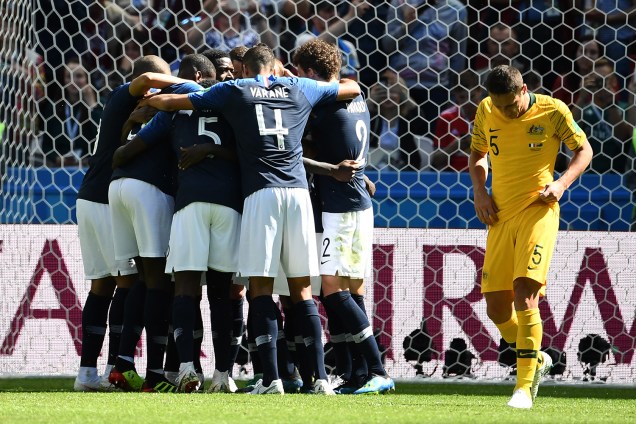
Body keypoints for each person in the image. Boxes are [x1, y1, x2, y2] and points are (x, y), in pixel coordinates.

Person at [140, 43, 361, 394]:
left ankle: (271, 379)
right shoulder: (299, 87)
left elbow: (173, 103)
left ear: (245, 69)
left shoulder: (234, 89)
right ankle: (319, 380)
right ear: (276, 66)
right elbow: (351, 87)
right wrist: (288, 78)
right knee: (302, 290)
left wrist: (149, 100)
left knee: (259, 287)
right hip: (299, 194)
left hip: (262, 194)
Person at [469, 65, 592, 409]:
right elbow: (477, 155)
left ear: (524, 90)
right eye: (499, 105)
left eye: (511, 105)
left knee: (525, 293)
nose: (506, 112)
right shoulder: (486, 109)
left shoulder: (553, 111)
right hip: (500, 215)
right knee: (495, 307)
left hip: (538, 210)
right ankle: (534, 356)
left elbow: (584, 151)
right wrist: (480, 191)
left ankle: (523, 388)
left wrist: (561, 184)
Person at [73, 55, 183, 392]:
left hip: (91, 196)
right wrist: (188, 86)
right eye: (160, 84)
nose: (160, 90)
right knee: (128, 282)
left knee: (102, 286)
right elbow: (148, 77)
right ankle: (113, 369)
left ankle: (88, 373)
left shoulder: (129, 113)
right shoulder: (124, 95)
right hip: (106, 198)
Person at [294, 38, 394, 395]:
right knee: (351, 288)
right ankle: (357, 373)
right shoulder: (356, 96)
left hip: (340, 206)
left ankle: (378, 368)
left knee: (333, 289)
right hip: (356, 205)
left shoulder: (324, 103)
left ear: (308, 73)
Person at [107, 57, 203, 394]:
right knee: (159, 282)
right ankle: (154, 374)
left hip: (117, 189)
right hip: (148, 189)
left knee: (137, 282)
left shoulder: (137, 108)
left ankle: (122, 364)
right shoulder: (179, 100)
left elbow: (121, 148)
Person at [572, 58, 632, 174]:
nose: (601, 85)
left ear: (614, 81)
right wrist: (582, 98)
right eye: (597, 80)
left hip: (616, 175)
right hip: (587, 175)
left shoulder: (624, 108)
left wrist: (611, 104)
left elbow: (622, 137)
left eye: (606, 80)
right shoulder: (584, 110)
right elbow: (569, 128)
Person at [39, 57, 102, 167]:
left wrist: (92, 105)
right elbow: (46, 145)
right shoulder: (54, 107)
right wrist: (57, 158)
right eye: (69, 76)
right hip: (59, 169)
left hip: (90, 168)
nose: (73, 81)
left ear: (87, 78)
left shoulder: (100, 104)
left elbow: (103, 138)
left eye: (78, 76)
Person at [431, 70, 485, 172]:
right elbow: (434, 161)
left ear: (480, 91)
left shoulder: (493, 115)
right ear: (455, 94)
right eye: (462, 97)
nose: (467, 102)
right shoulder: (446, 117)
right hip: (453, 177)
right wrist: (456, 146)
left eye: (472, 96)